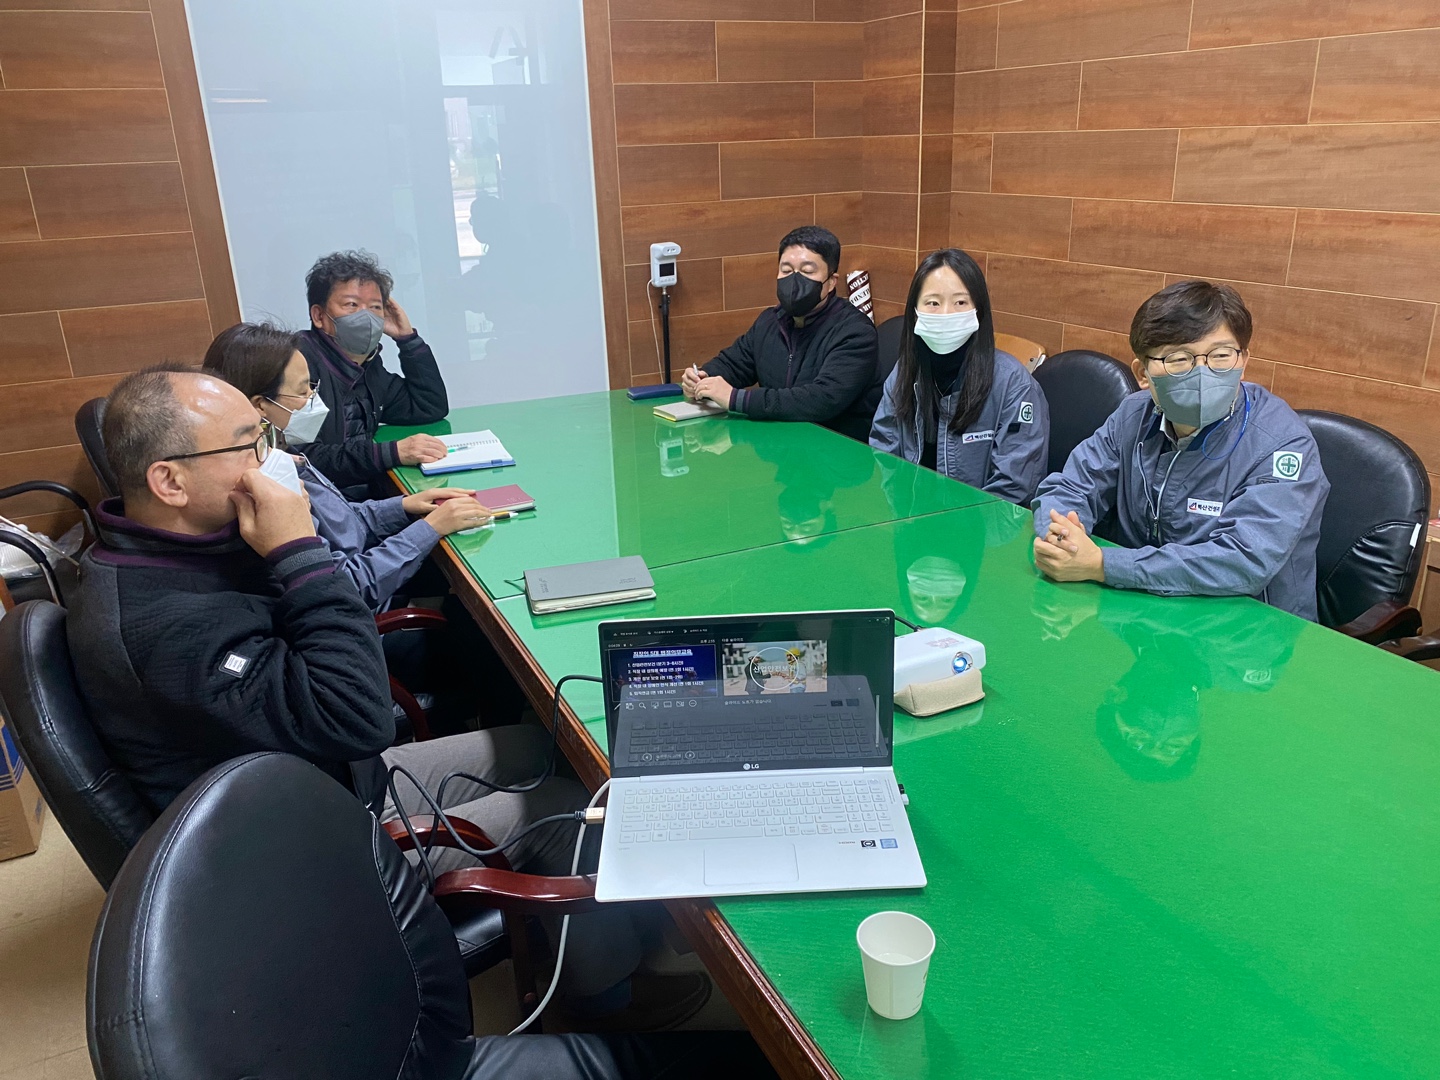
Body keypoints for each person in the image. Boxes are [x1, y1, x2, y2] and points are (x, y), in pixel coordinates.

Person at [66, 365, 710, 1028]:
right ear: (169, 481)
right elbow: (360, 717)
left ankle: (623, 932)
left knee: (541, 747)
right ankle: (607, 1003)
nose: (272, 460)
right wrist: (298, 549)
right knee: (573, 807)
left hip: (320, 778)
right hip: (302, 850)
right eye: (249, 445)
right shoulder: (165, 627)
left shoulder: (179, 550)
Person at [1032, 280, 1330, 620]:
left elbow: (1243, 560)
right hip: (1142, 611)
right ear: (1143, 373)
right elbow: (1070, 486)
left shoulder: (1283, 444)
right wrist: (1062, 535)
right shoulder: (1133, 415)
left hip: (1247, 628)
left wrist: (1104, 564)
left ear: (1243, 361)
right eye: (1179, 358)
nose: (1202, 372)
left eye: (1220, 356)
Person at [870, 248, 1050, 505]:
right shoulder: (906, 371)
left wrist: (960, 526)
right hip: (910, 518)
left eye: (960, 303)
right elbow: (883, 451)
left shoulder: (1014, 384)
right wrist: (900, 513)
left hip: (979, 525)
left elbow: (1014, 487)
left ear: (979, 310)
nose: (946, 313)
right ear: (915, 311)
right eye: (933, 303)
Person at [682, 225, 882, 441]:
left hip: (836, 449)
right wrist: (702, 379)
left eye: (807, 271)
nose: (794, 280)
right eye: (786, 271)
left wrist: (737, 399)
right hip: (779, 444)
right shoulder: (770, 321)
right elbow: (734, 364)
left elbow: (822, 400)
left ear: (831, 282)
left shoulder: (855, 332)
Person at [296, 250, 451, 494]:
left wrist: (407, 339)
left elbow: (428, 406)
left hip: (366, 498)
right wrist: (393, 452)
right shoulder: (297, 365)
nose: (366, 316)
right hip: (320, 503)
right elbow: (301, 458)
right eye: (352, 304)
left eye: (375, 307)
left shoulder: (368, 367)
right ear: (319, 316)